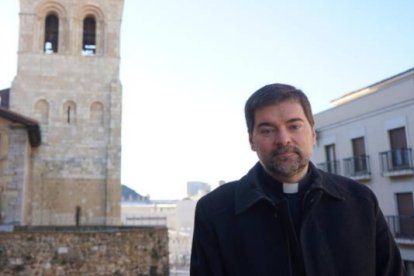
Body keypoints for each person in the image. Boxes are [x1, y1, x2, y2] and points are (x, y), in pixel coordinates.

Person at [190, 83, 404, 276]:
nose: (283, 139)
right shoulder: (215, 211)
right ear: (251, 140)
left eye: (294, 126)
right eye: (267, 130)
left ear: (313, 133)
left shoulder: (360, 201)